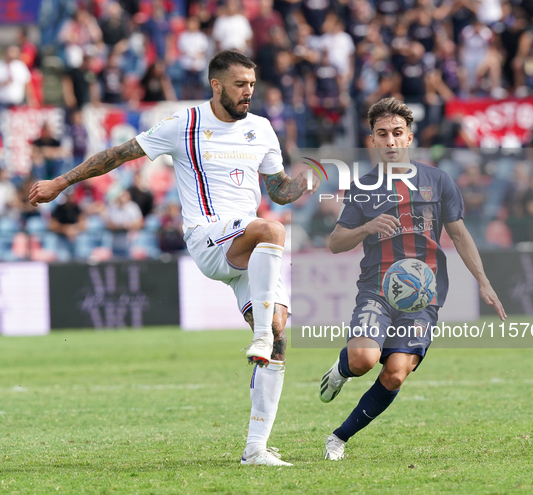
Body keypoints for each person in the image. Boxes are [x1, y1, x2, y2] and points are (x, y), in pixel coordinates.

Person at [29, 50, 320, 466]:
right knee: (273, 229)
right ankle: (258, 336)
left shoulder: (262, 128)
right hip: (209, 237)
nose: (248, 93)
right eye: (240, 85)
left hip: (250, 250)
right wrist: (61, 181)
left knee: (278, 337)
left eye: (252, 85)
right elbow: (117, 154)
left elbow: (277, 191)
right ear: (216, 85)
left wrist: (301, 184)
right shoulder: (186, 123)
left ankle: (256, 448)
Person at [319, 97, 506, 461]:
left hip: (424, 295)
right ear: (372, 140)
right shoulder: (363, 186)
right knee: (362, 360)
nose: (390, 141)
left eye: (397, 133)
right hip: (377, 289)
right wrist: (367, 227)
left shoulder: (437, 181)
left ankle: (338, 438)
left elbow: (461, 235)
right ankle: (342, 368)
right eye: (382, 134)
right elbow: (335, 242)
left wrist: (483, 281)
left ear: (409, 138)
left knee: (396, 373)